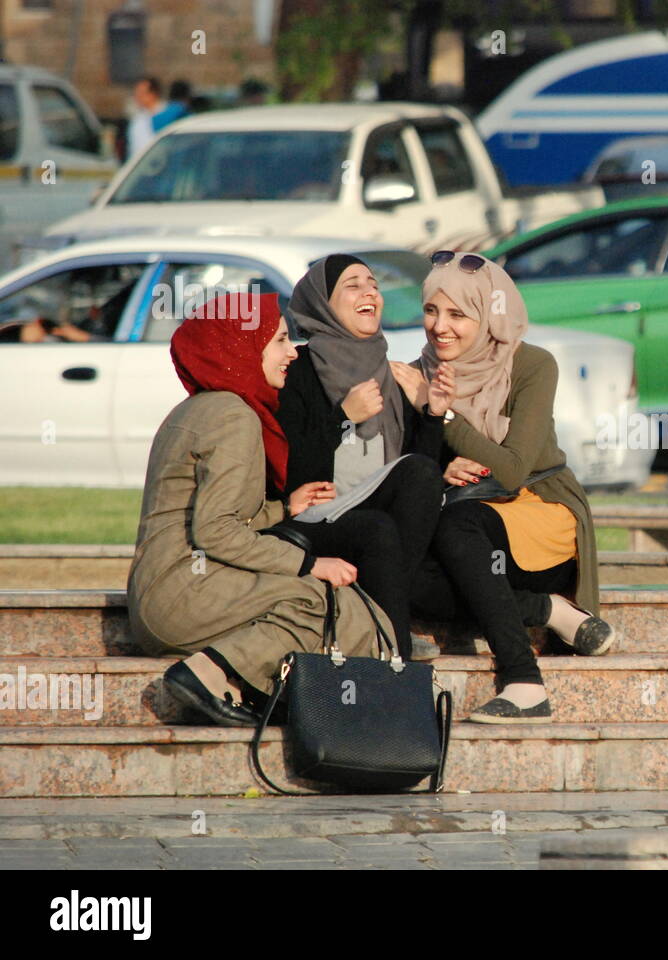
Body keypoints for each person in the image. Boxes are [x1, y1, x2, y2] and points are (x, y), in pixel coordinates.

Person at [128, 292, 394, 727]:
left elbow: (208, 516)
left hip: (163, 594)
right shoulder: (234, 416)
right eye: (281, 340)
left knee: (324, 597)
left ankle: (254, 688)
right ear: (241, 346)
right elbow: (216, 533)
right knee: (318, 597)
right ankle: (210, 674)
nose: (293, 352)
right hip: (182, 597)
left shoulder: (198, 409)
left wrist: (281, 509)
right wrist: (309, 563)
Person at [415, 251, 614, 724]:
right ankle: (545, 611)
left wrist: (442, 415)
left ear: (490, 313)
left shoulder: (531, 365)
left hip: (537, 511)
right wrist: (437, 469)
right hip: (462, 521)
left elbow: (512, 469)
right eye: (431, 310)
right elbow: (412, 462)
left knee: (456, 529)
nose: (440, 326)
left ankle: (524, 682)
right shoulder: (417, 371)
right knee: (393, 562)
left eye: (458, 314)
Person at [275, 254, 447, 660]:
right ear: (322, 304)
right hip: (315, 514)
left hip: (370, 508)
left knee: (419, 478)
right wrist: (343, 417)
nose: (370, 291)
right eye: (352, 285)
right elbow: (291, 468)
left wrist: (433, 414)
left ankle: (380, 625)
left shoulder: (392, 374)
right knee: (376, 529)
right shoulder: (297, 369)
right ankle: (395, 645)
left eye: (373, 283)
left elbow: (417, 473)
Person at [127, 76, 163, 159]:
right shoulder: (137, 120)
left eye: (142, 93)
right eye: (136, 93)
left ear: (153, 94)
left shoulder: (165, 115)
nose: (138, 97)